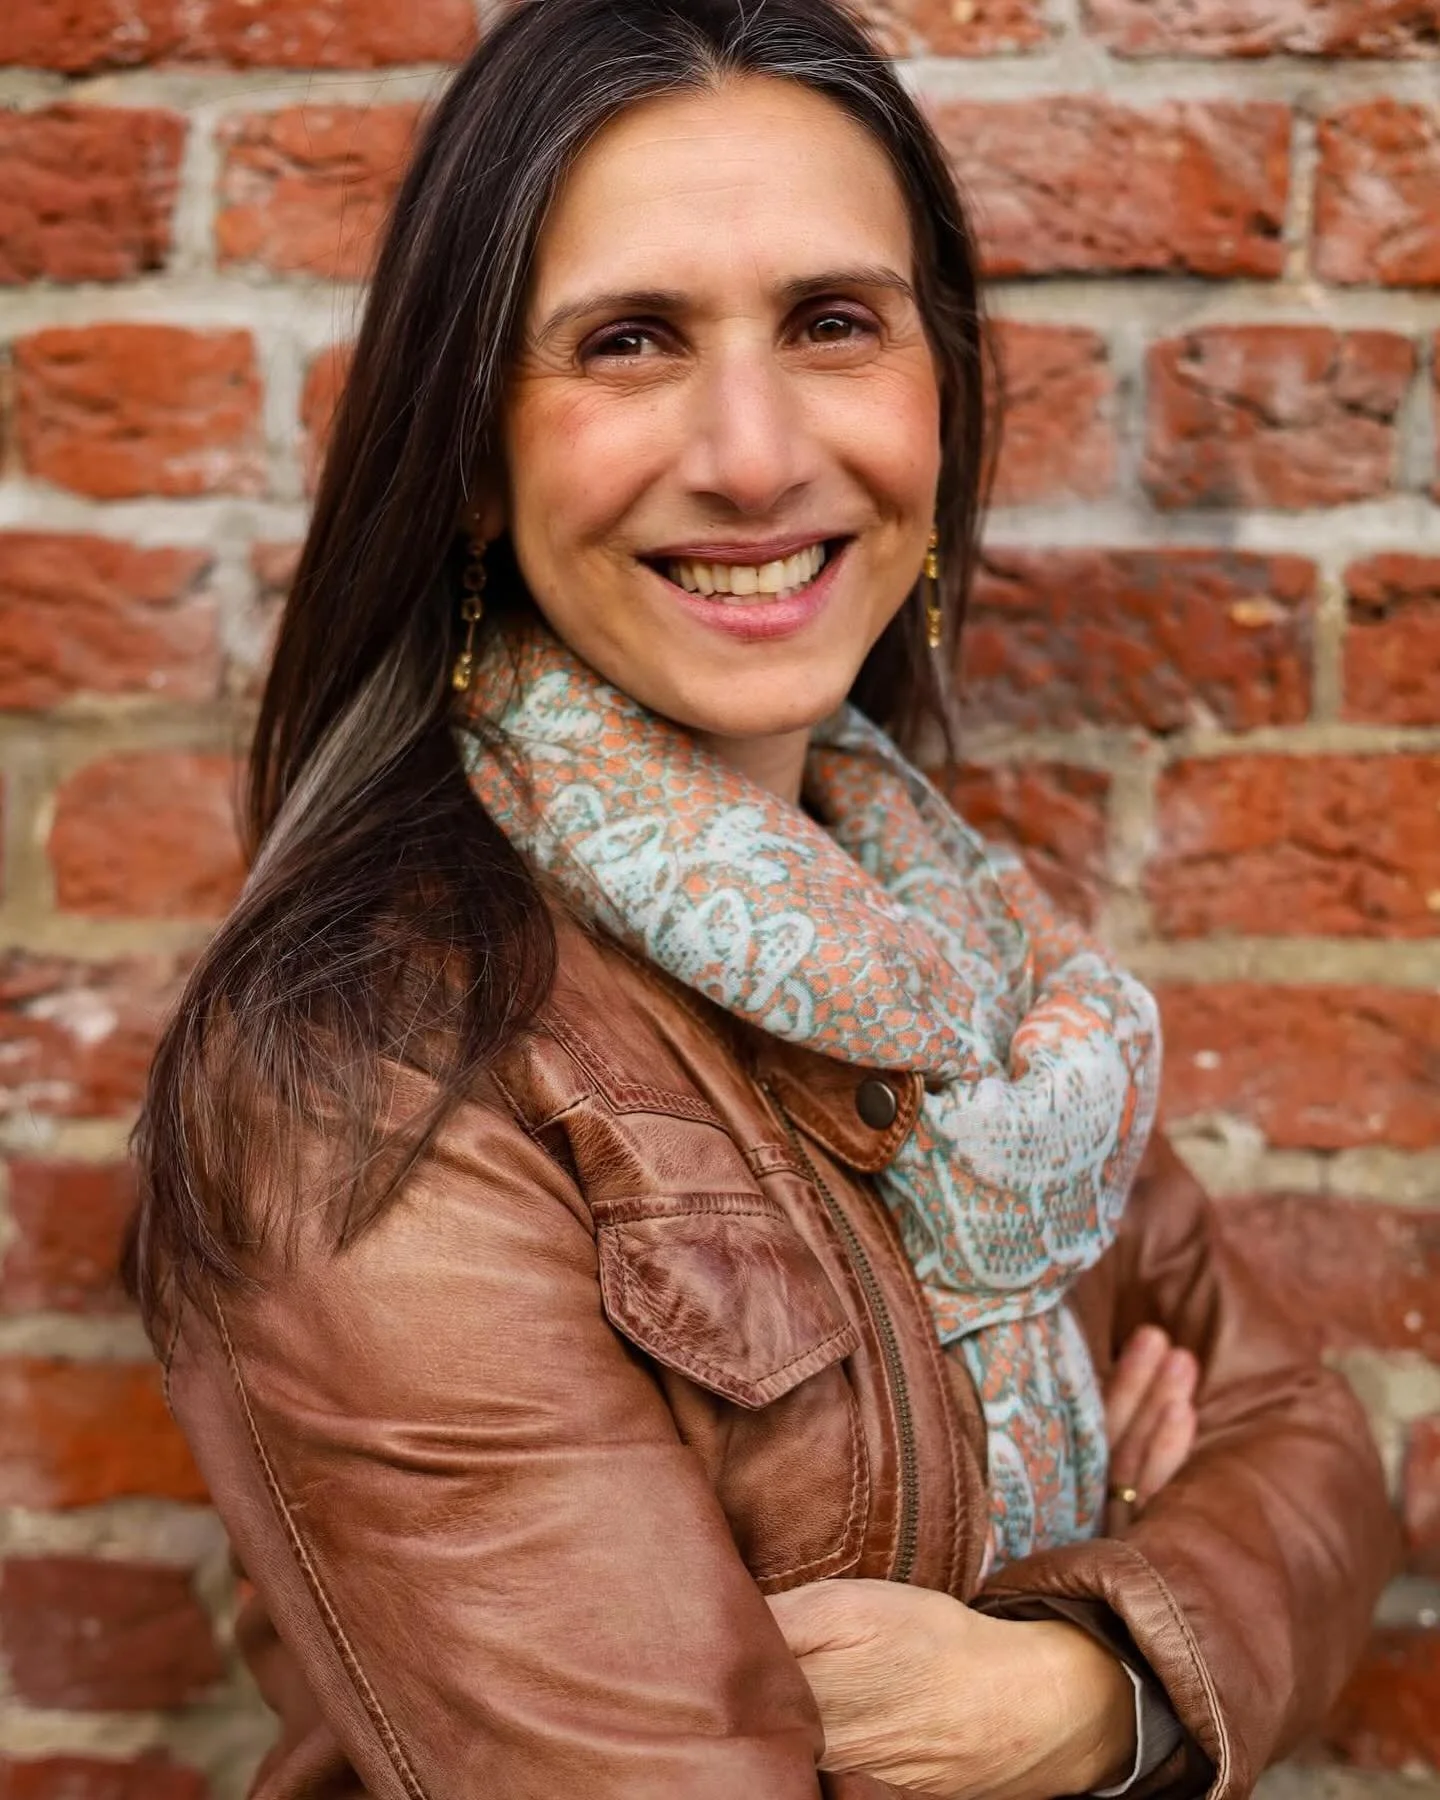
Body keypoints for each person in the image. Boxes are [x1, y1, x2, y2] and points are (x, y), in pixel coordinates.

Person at [125, 1, 1396, 1795]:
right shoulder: (374, 1075)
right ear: (475, 460)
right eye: (631, 341)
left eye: (832, 324)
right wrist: (1140, 1528)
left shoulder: (969, 973)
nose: (750, 451)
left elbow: (1314, 1444)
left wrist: (1085, 1697)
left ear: (935, 397)